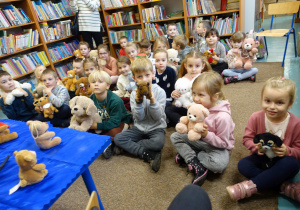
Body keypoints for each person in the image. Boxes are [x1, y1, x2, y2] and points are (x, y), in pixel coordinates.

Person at [226, 77, 300, 202]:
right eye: (267, 101)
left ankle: (246, 188)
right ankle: (283, 187)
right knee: (243, 164)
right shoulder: (256, 117)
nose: (272, 107)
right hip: (262, 158)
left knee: (292, 164)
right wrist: (255, 147)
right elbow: (247, 139)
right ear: (262, 99)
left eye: (279, 103)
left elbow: (298, 150)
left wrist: (288, 151)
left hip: (282, 161)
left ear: (290, 104)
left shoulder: (296, 123)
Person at [171, 71, 235, 186]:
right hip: (199, 141)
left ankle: (190, 156)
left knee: (218, 165)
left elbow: (224, 144)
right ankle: (194, 161)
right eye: (194, 93)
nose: (195, 98)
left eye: (200, 95)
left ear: (215, 96)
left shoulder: (223, 117)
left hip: (217, 148)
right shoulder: (197, 106)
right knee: (175, 136)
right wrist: (186, 125)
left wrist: (206, 135)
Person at [114, 57, 167, 172]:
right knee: (118, 138)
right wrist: (138, 103)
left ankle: (128, 148)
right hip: (139, 127)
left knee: (158, 143)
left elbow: (158, 117)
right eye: (139, 76)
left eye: (147, 75)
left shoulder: (160, 92)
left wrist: (153, 101)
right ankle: (146, 153)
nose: (144, 79)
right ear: (134, 79)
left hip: (156, 127)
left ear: (153, 74)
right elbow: (139, 118)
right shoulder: (134, 94)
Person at [89, 71, 132, 159]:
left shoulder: (115, 101)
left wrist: (96, 126)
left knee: (113, 131)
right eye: (93, 82)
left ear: (108, 86)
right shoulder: (91, 99)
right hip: (103, 122)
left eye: (100, 82)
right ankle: (108, 142)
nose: (96, 84)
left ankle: (109, 144)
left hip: (119, 123)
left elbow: (115, 122)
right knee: (84, 129)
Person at [165, 50, 211, 127]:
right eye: (190, 66)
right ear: (185, 66)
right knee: (168, 109)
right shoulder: (182, 79)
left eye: (197, 66)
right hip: (185, 108)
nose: (193, 69)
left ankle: (187, 122)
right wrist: (174, 93)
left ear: (202, 66)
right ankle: (186, 122)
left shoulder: (204, 78)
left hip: (199, 109)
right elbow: (179, 91)